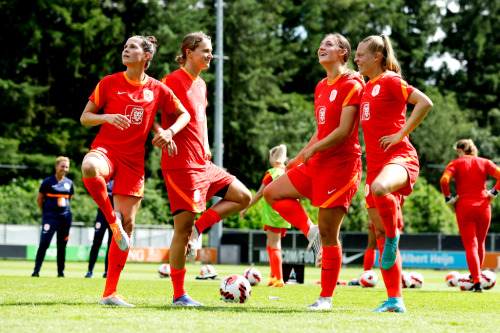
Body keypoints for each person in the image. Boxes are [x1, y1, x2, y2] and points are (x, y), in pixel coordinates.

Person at [80, 35, 190, 306]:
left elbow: (184, 114)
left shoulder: (157, 88)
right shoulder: (109, 82)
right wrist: (105, 116)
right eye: (125, 47)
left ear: (146, 57)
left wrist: (168, 132)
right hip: (107, 151)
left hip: (133, 162)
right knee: (89, 166)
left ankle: (110, 294)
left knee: (128, 225)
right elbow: (85, 118)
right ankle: (111, 220)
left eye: (132, 47)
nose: (126, 50)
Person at [264, 33, 364, 310]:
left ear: (344, 53)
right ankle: (311, 231)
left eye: (329, 44)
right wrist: (300, 156)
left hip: (341, 167)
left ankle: (326, 298)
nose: (322, 47)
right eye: (320, 44)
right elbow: (321, 130)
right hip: (316, 164)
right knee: (272, 193)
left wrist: (308, 152)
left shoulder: (353, 83)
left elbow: (343, 131)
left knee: (331, 234)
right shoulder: (321, 86)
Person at [160, 31, 251, 306]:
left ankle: (201, 227)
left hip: (204, 162)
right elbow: (151, 113)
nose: (211, 55)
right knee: (181, 230)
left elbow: (201, 119)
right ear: (189, 52)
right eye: (206, 51)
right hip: (181, 165)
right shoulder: (170, 81)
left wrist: (207, 142)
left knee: (243, 197)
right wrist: (163, 134)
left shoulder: (200, 84)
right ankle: (179, 294)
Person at [354, 34, 433, 312]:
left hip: (401, 159)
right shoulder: (364, 88)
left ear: (377, 57)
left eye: (361, 55)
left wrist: (401, 134)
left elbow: (424, 102)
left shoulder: (389, 80)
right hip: (375, 166)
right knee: (378, 231)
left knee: (379, 190)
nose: (356, 59)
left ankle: (393, 237)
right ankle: (394, 300)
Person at [440, 139, 500, 292]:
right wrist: (493, 193)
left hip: (464, 206)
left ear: (459, 150)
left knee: (471, 246)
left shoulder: (455, 163)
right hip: (484, 206)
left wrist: (448, 199)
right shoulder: (485, 162)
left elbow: (444, 180)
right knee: (480, 244)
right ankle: (476, 280)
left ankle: (477, 281)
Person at [239, 145, 290, 287]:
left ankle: (279, 278)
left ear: (273, 157)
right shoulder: (288, 171)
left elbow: (260, 193)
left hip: (273, 212)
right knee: (270, 244)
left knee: (274, 245)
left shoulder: (272, 173)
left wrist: (246, 207)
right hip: (285, 212)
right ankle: (274, 276)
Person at [32, 156, 74, 278]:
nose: (64, 169)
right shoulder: (47, 182)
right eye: (62, 166)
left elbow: (69, 199)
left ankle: (61, 272)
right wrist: (46, 212)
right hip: (50, 218)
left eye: (66, 167)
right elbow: (39, 199)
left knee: (62, 245)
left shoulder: (69, 183)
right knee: (44, 243)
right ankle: (36, 271)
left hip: (65, 218)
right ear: (56, 167)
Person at [85, 178, 114, 278]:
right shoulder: (103, 179)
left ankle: (107, 272)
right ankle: (90, 271)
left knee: (111, 246)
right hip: (101, 217)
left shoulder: (118, 180)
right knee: (96, 243)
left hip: (113, 218)